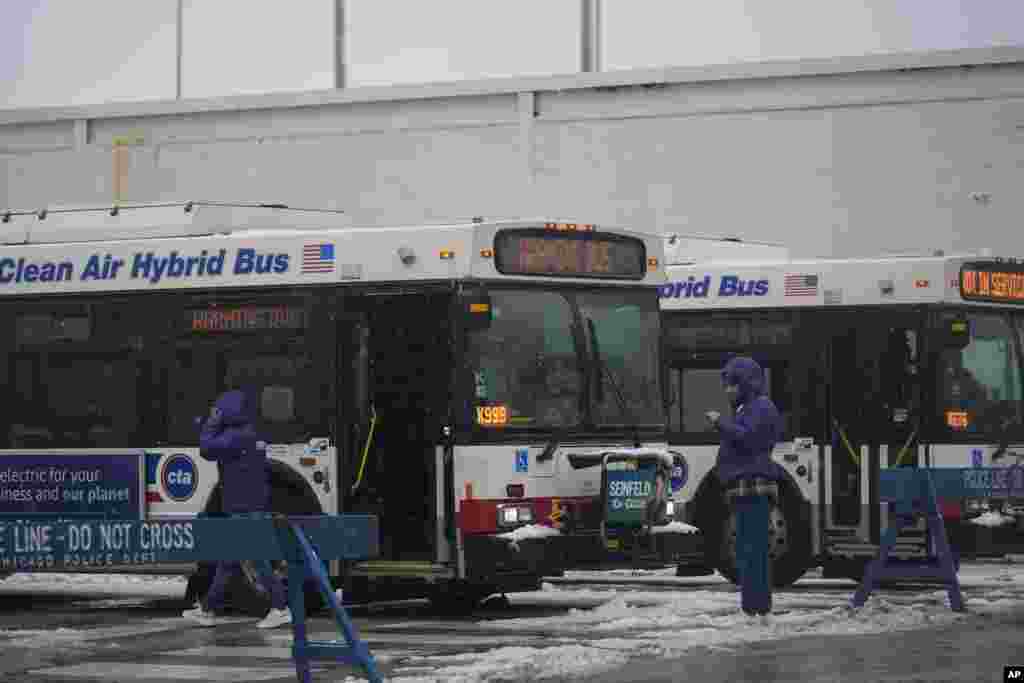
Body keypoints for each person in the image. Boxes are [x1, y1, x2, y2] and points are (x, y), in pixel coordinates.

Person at [182, 388, 293, 629]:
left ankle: (280, 607)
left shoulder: (234, 437)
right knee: (230, 560)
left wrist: (212, 421)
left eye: (218, 410)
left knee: (255, 559)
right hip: (250, 505)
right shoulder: (250, 433)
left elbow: (205, 448)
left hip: (242, 507)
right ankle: (208, 609)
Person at [705, 356, 784, 618]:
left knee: (753, 551)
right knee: (748, 551)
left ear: (746, 384)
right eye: (726, 385)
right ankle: (754, 607)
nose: (728, 391)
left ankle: (756, 608)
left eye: (732, 385)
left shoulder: (760, 407)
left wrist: (720, 424)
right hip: (745, 488)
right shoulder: (750, 407)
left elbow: (747, 438)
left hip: (752, 488)